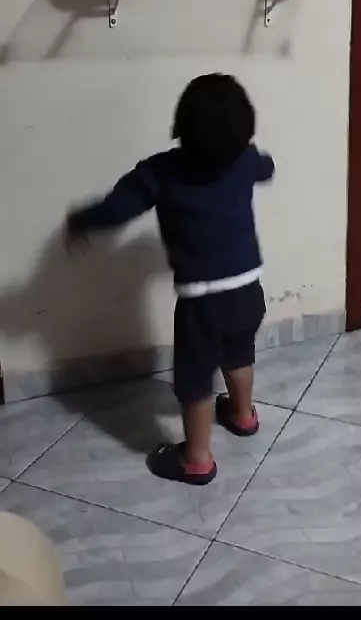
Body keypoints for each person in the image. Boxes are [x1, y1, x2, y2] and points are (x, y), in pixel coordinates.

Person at [65, 74, 275, 487]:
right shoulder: (245, 160)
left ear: (182, 124)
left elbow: (117, 208)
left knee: (195, 380)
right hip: (249, 289)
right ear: (244, 128)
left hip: (202, 304)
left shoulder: (161, 172)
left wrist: (82, 220)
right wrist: (256, 159)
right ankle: (243, 415)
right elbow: (267, 167)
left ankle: (196, 460)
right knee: (239, 353)